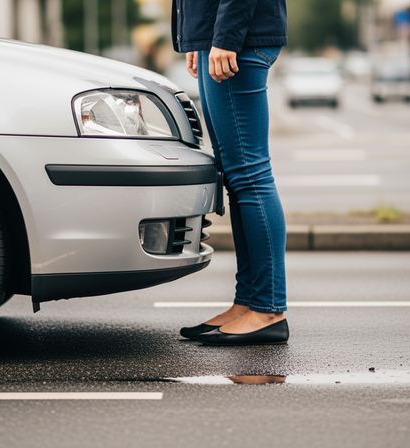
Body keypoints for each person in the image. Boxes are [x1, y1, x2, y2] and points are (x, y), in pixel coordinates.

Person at [172, 0, 289, 345]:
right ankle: (248, 303)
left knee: (250, 175)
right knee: (238, 178)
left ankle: (268, 309)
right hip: (218, 36)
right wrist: (197, 37)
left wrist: (225, 37)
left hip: (238, 38)